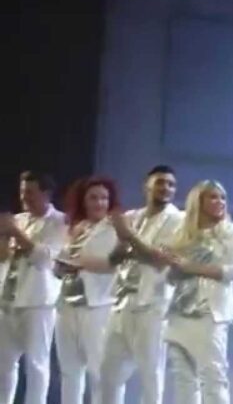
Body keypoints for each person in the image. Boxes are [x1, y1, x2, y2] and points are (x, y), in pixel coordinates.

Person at [99, 165, 184, 404]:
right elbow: (113, 259)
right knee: (108, 374)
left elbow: (160, 260)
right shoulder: (132, 217)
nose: (166, 188)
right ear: (146, 186)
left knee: (150, 376)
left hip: (153, 306)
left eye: (171, 184)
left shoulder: (178, 220)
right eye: (160, 182)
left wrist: (129, 237)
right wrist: (123, 244)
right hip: (122, 303)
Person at [162, 180, 233, 404]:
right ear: (197, 202)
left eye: (223, 197)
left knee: (213, 377)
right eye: (213, 197)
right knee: (183, 379)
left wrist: (191, 267)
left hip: (210, 314)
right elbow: (171, 277)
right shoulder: (181, 234)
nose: (220, 202)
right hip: (178, 312)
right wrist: (172, 268)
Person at [0, 171, 67, 404]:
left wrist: (15, 233)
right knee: (4, 363)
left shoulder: (60, 221)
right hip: (8, 299)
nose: (24, 197)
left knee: (36, 364)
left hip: (38, 303)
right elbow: (3, 257)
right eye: (22, 192)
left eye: (30, 192)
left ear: (46, 194)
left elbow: (46, 259)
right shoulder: (18, 219)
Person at [54, 177, 120, 404]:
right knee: (69, 371)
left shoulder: (114, 229)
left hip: (97, 306)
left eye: (104, 198)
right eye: (93, 198)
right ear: (83, 200)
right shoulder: (76, 228)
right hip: (67, 304)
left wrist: (79, 263)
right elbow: (60, 264)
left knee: (99, 371)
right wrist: (60, 266)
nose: (99, 203)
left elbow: (114, 265)